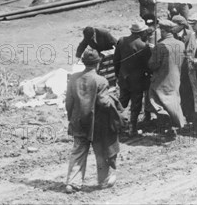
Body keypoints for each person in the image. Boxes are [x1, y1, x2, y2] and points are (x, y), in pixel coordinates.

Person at [65, 48, 122, 193]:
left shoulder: (73, 78)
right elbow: (104, 103)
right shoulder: (100, 80)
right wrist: (113, 99)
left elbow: (69, 103)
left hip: (78, 121)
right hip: (96, 124)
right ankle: (103, 181)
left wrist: (71, 118)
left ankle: (72, 183)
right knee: (101, 152)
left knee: (78, 151)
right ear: (98, 63)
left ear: (84, 63)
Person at [145, 19, 187, 137]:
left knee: (155, 100)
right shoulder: (181, 44)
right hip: (176, 78)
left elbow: (152, 65)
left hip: (161, 80)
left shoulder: (160, 46)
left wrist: (153, 51)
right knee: (173, 101)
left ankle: (166, 126)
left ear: (163, 31)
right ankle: (176, 123)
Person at [113, 20, 152, 135]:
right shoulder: (143, 46)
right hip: (137, 81)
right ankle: (132, 129)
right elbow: (148, 65)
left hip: (123, 78)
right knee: (136, 104)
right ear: (141, 32)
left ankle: (114, 124)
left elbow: (116, 60)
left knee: (122, 102)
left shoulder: (121, 40)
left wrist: (117, 75)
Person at [171, 15, 196, 124]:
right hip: (175, 69)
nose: (172, 27)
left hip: (187, 69)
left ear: (182, 25)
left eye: (174, 24)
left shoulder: (190, 35)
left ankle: (190, 116)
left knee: (187, 93)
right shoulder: (170, 36)